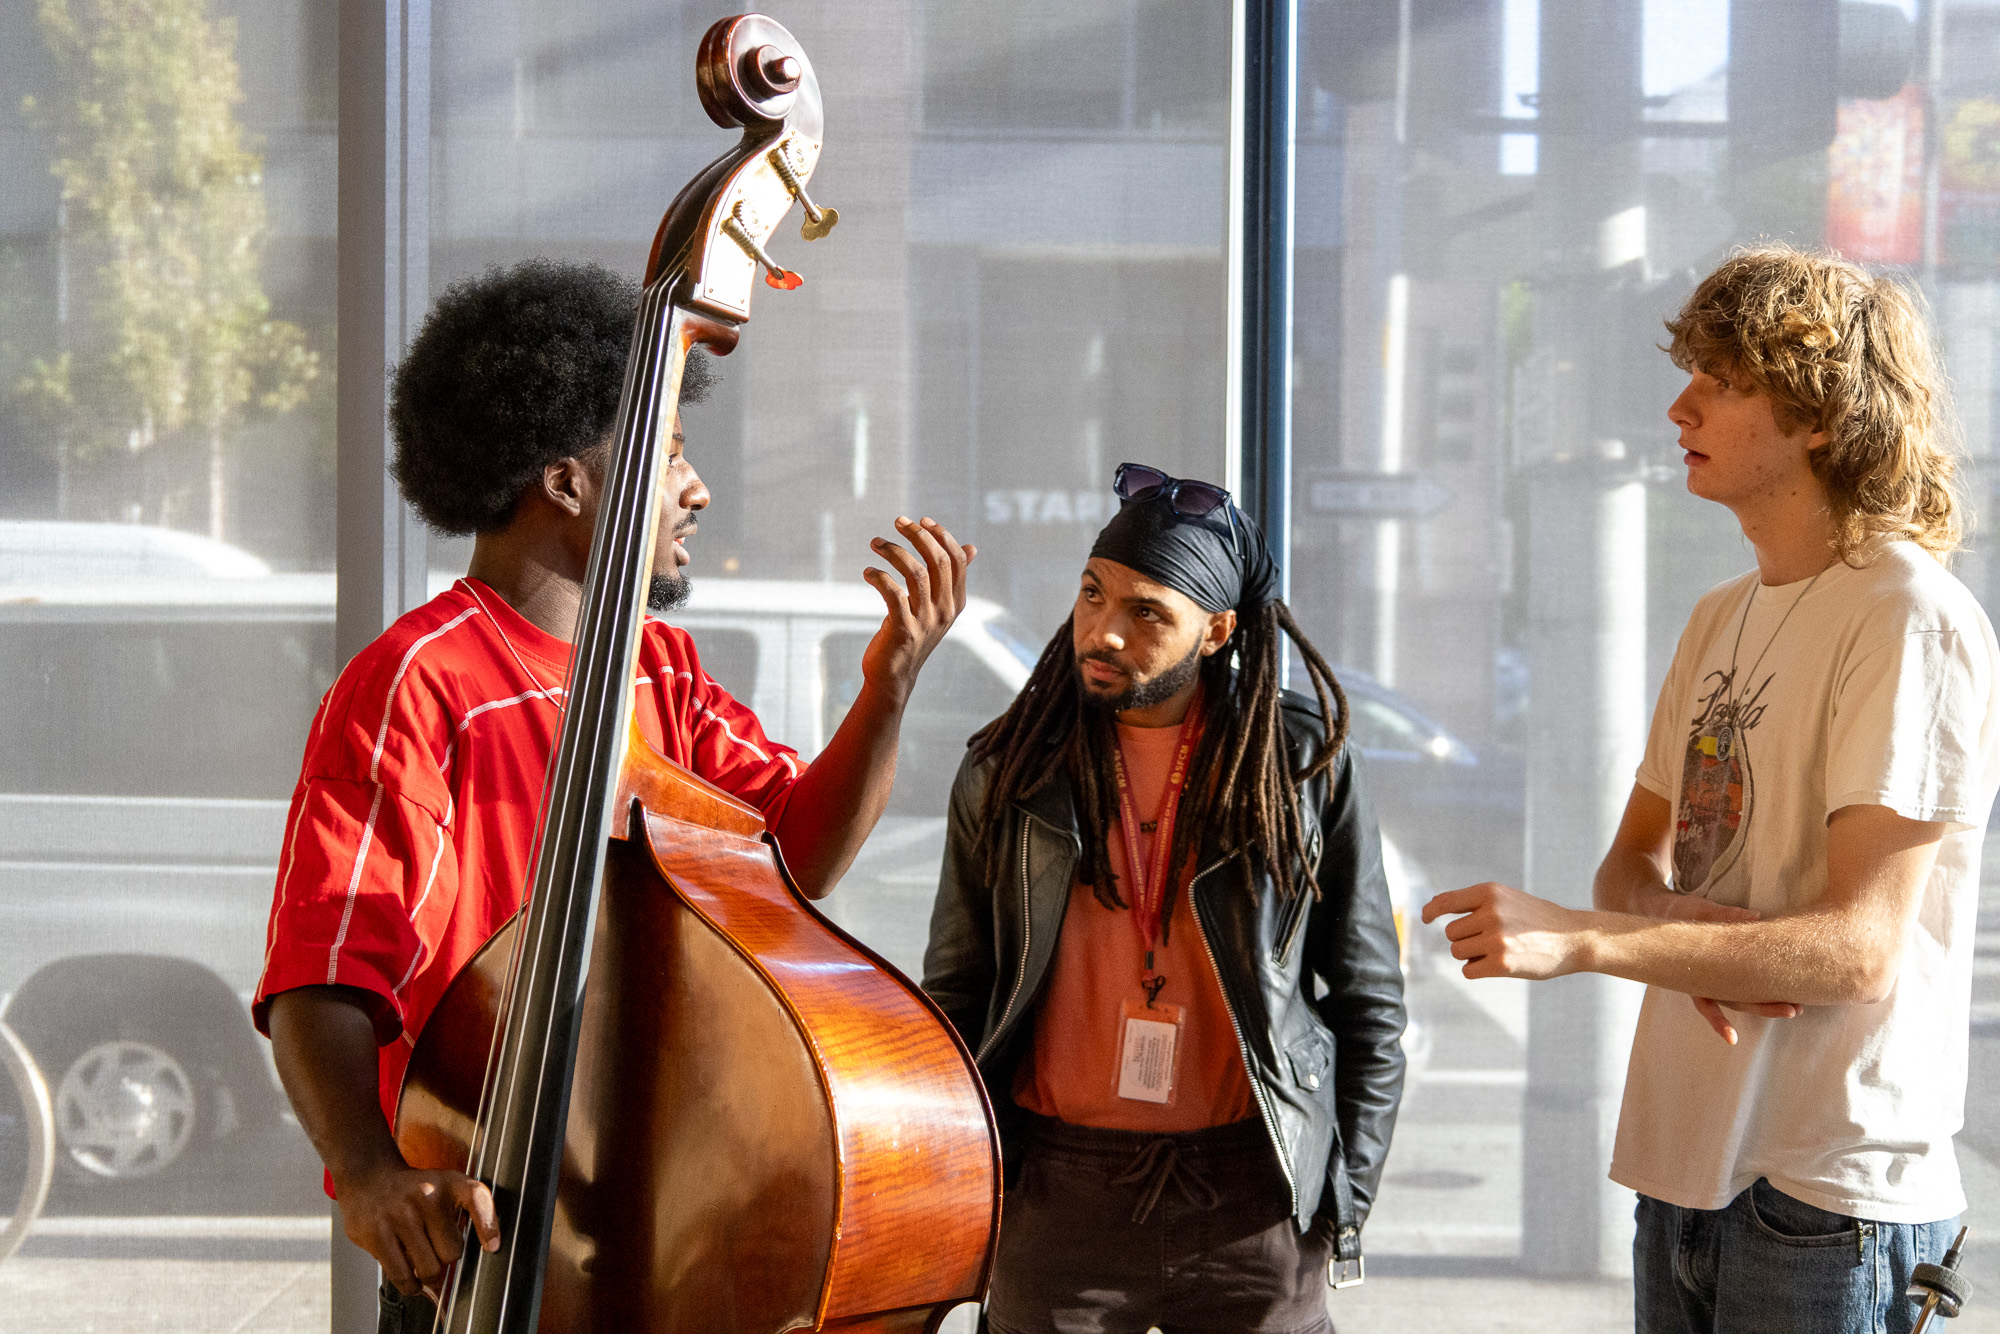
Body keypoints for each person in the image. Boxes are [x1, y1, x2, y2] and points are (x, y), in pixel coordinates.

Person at [252, 259, 976, 1331]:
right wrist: (366, 1175)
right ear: (567, 483)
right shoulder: (422, 679)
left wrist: (886, 692)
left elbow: (793, 864)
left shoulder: (659, 666)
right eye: (669, 454)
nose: (697, 488)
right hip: (488, 1232)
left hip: (651, 1213)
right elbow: (324, 967)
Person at [1423, 246, 1999, 1334]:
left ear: (1817, 416)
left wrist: (1582, 940)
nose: (1680, 406)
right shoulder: (1718, 614)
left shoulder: (1907, 615)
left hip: (1830, 1192)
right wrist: (1689, 933)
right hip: (1684, 1166)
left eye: (1723, 382)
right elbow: (1631, 867)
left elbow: (1858, 950)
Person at [923, 464, 1406, 1334]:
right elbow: (956, 996)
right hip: (1059, 1192)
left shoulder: (1298, 765)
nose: (1104, 631)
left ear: (1216, 631)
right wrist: (964, 1179)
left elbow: (1368, 1002)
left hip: (1252, 1194)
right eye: (1092, 594)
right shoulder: (1011, 770)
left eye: (1148, 613)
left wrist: (1341, 1201)